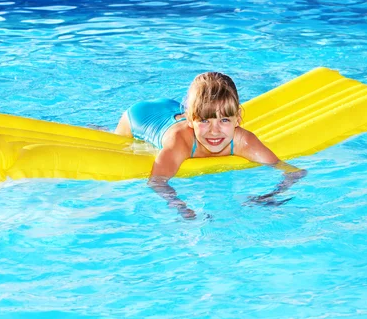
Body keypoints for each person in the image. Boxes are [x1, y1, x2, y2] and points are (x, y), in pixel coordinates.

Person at [115, 72, 307, 219]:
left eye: (224, 120)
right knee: (114, 138)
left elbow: (294, 172)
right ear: (191, 120)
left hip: (176, 106)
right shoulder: (180, 142)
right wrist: (185, 210)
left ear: (238, 119)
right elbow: (157, 181)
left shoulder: (243, 141)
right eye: (205, 121)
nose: (214, 131)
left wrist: (268, 196)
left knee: (206, 109)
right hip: (140, 116)